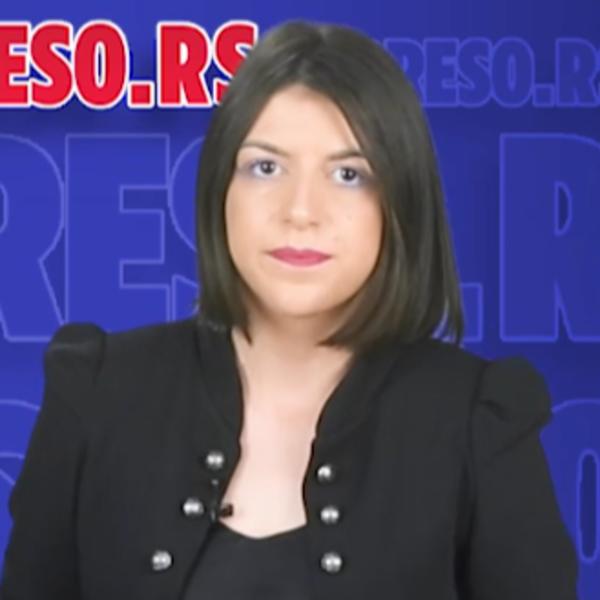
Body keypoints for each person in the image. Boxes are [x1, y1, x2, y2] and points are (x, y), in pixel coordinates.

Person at [0, 18, 579, 600]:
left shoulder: (478, 420)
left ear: (400, 203)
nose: (301, 210)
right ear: (220, 187)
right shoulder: (98, 391)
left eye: (349, 174)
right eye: (266, 167)